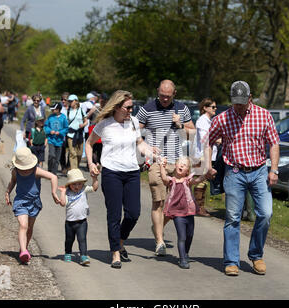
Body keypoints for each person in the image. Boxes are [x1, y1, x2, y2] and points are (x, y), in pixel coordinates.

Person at [205, 80, 280, 276]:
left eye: (242, 102)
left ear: (250, 97)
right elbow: (208, 142)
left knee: (265, 213)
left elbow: (273, 143)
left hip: (259, 171)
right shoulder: (222, 119)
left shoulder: (263, 116)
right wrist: (208, 165)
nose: (238, 106)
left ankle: (256, 255)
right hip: (234, 172)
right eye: (235, 102)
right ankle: (231, 261)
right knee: (232, 217)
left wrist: (274, 169)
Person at [85, 90, 159, 269]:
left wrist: (152, 152)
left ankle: (120, 240)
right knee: (114, 214)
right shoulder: (104, 124)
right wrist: (91, 164)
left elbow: (139, 143)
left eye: (132, 107)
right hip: (112, 173)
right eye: (128, 107)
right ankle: (115, 252)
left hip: (132, 172)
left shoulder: (133, 122)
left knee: (134, 213)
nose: (131, 110)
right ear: (117, 107)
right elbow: (89, 143)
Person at [136, 79, 195, 256]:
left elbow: (192, 133)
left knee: (176, 203)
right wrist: (146, 147)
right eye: (161, 95)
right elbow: (134, 132)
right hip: (156, 161)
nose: (164, 99)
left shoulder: (182, 109)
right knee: (159, 201)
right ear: (157, 92)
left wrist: (180, 124)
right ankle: (160, 241)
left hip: (177, 163)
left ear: (174, 94)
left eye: (168, 97)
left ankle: (158, 226)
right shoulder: (146, 109)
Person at [5, 147, 60, 263]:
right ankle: (24, 250)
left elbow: (53, 177)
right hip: (21, 202)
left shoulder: (36, 171)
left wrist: (54, 192)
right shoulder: (15, 171)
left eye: (27, 168)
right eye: (22, 168)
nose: (25, 171)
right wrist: (7, 192)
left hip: (34, 202)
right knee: (23, 225)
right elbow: (13, 181)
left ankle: (23, 249)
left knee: (29, 228)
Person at [160, 156, 206, 269]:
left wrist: (206, 174)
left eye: (184, 165)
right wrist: (162, 166)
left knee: (190, 235)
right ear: (175, 165)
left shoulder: (188, 181)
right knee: (182, 236)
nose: (181, 165)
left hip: (189, 212)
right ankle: (182, 259)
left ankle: (185, 253)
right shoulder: (172, 181)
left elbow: (197, 180)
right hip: (177, 213)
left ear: (187, 171)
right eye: (180, 163)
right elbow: (164, 178)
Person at [58, 169, 99, 265]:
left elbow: (94, 188)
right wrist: (63, 192)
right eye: (74, 184)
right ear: (69, 185)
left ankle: (83, 256)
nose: (77, 186)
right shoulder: (67, 193)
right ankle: (68, 253)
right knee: (69, 240)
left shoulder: (84, 189)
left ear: (83, 183)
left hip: (82, 222)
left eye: (79, 184)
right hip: (70, 223)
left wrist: (95, 178)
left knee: (82, 239)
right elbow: (63, 203)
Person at [192, 98, 219, 217]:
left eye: (215, 107)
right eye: (213, 107)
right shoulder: (202, 121)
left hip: (208, 155)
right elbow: (204, 139)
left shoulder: (209, 121)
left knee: (205, 181)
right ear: (205, 108)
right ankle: (198, 207)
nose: (215, 109)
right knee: (200, 182)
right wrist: (217, 139)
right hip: (201, 155)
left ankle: (200, 206)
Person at [44, 102, 69, 175]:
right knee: (52, 155)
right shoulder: (50, 117)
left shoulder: (63, 117)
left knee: (57, 158)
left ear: (58, 110)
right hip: (51, 140)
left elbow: (66, 128)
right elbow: (46, 126)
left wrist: (60, 132)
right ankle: (49, 169)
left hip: (60, 141)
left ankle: (54, 173)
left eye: (54, 109)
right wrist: (49, 131)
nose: (52, 111)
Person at [66, 94, 88, 170]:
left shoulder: (81, 110)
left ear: (76, 101)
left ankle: (76, 167)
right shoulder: (68, 110)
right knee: (73, 153)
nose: (70, 102)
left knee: (79, 154)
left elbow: (86, 121)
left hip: (80, 134)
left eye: (71, 101)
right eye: (69, 101)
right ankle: (74, 170)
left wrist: (83, 125)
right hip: (70, 134)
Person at [59, 92, 70, 174]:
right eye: (62, 99)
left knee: (71, 150)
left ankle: (68, 166)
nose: (63, 101)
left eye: (65, 100)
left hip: (70, 132)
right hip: (61, 132)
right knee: (62, 150)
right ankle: (63, 166)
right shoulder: (60, 109)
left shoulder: (71, 109)